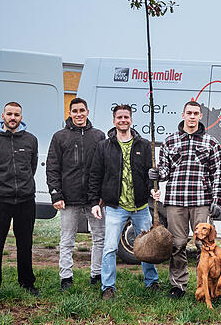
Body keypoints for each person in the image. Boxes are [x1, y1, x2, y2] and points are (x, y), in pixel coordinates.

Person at [151, 100, 221, 299]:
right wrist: (157, 174)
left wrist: (216, 200)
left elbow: (218, 173)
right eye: (189, 113)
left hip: (201, 200)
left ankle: (208, 285)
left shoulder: (211, 142)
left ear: (201, 116)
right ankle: (178, 285)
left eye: (196, 113)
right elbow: (165, 171)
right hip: (176, 201)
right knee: (177, 244)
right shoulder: (170, 141)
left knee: (205, 245)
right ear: (183, 115)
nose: (192, 117)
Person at [88, 104, 161, 300]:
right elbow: (95, 175)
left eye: (126, 117)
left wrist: (154, 184)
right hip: (115, 207)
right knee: (110, 247)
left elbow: (150, 173)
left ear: (131, 119)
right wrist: (95, 201)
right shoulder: (104, 146)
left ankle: (151, 281)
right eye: (119, 117)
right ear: (114, 121)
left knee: (147, 246)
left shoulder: (144, 145)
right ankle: (108, 287)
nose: (123, 120)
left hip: (140, 207)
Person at [0, 101, 39, 305]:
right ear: (2, 115)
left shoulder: (30, 140)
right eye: (10, 114)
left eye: (17, 115)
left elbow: (32, 167)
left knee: (25, 244)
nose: (13, 118)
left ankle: (27, 283)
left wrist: (24, 187)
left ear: (21, 117)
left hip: (25, 201)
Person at [46, 97, 107, 290]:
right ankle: (66, 277)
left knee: (99, 237)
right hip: (68, 198)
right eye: (75, 111)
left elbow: (105, 167)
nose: (79, 114)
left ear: (87, 112)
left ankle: (96, 275)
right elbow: (52, 166)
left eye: (82, 110)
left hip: (93, 199)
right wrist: (56, 194)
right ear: (70, 113)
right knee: (67, 240)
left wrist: (102, 194)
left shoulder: (98, 136)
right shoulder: (60, 136)